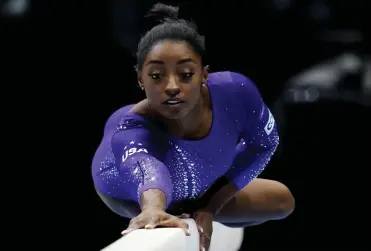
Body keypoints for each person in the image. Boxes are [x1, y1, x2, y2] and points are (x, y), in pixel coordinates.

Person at [92, 3, 295, 251]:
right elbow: (148, 171)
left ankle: (193, 205)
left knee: (282, 200)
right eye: (157, 76)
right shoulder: (131, 127)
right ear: (140, 80)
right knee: (165, 203)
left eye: (186, 74)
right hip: (127, 190)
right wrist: (154, 208)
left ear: (204, 74)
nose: (172, 86)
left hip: (200, 185)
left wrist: (210, 207)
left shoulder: (236, 93)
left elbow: (264, 144)